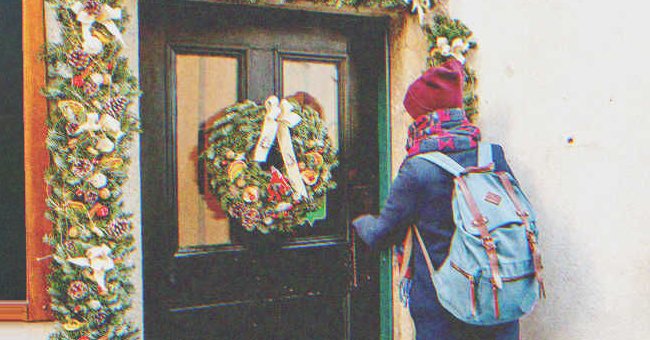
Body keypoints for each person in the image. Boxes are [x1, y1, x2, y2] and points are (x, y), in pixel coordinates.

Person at [352, 58, 520, 340]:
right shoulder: (492, 156)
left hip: (444, 309)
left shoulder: (418, 168)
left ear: (424, 116)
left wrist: (359, 221)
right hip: (497, 298)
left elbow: (382, 235)